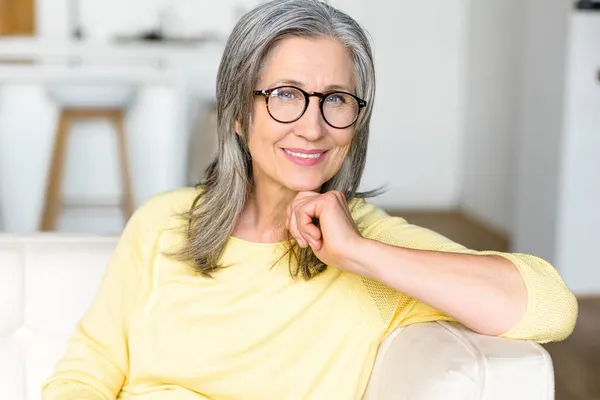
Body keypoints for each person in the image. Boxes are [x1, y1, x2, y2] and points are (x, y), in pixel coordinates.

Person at [42, 1, 577, 399]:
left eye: (336, 100)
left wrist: (357, 254)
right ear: (236, 111)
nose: (313, 127)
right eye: (286, 96)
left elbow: (549, 306)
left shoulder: (368, 248)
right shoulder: (162, 222)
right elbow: (86, 372)